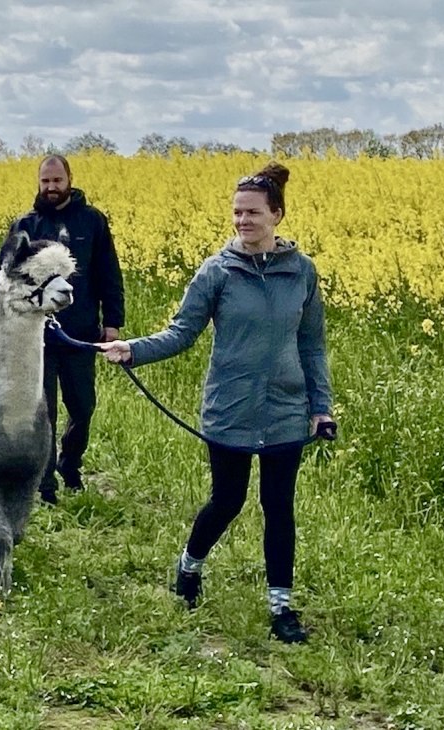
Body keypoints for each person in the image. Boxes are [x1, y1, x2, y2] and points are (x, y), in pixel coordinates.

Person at [98, 161, 335, 644]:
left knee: (279, 506)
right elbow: (182, 333)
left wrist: (321, 406)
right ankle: (189, 567)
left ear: (277, 215)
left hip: (286, 411)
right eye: (236, 213)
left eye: (252, 213)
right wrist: (133, 350)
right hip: (231, 407)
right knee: (227, 500)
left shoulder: (302, 273)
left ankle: (281, 607)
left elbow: (312, 345)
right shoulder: (217, 271)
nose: (242, 221)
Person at [0, 154, 125, 505]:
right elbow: (4, 276)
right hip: (34, 337)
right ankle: (45, 483)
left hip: (81, 333)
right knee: (44, 412)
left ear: (69, 179)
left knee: (83, 408)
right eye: (45, 182)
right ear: (38, 183)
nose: (51, 187)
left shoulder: (92, 221)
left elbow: (108, 274)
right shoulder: (25, 225)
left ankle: (70, 463)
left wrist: (112, 322)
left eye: (57, 180)